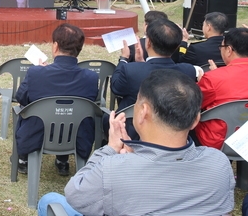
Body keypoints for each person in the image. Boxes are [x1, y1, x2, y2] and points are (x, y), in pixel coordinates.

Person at [38, 69, 235, 216]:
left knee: (50, 200)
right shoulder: (219, 163)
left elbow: (75, 195)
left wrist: (110, 148)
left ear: (143, 112)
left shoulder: (113, 170)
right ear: (195, 119)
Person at [15, 24, 98, 176]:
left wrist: (39, 72)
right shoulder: (91, 78)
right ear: (79, 48)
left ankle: (23, 159)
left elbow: (21, 97)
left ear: (55, 46)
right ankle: (62, 160)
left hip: (37, 135)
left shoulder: (36, 73)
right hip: (76, 137)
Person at [111, 18, 202, 138]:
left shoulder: (130, 70)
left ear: (148, 43)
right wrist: (142, 63)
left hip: (134, 134)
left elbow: (116, 88)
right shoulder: (188, 71)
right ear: (176, 46)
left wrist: (124, 59)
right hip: (173, 133)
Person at [193, 27, 248, 149]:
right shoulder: (215, 78)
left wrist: (206, 79)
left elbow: (193, 103)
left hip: (220, 141)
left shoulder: (213, 79)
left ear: (229, 50)